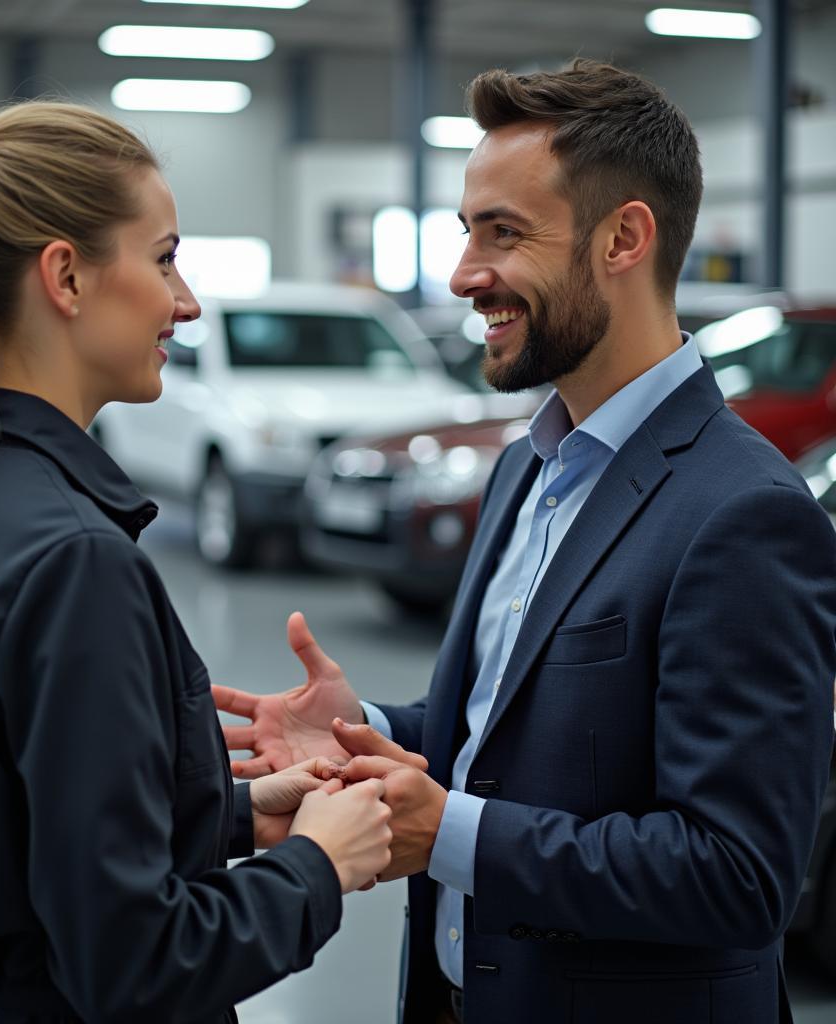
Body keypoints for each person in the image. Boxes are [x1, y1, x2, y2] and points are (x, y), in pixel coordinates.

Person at [213, 60, 836, 1024]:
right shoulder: (527, 468)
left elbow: (737, 876)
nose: (464, 275)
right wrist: (370, 731)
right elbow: (514, 734)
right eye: (467, 232)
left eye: (502, 234)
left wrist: (449, 833)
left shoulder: (745, 513)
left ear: (624, 238)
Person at [0, 92, 395, 1024]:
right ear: (67, 277)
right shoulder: (75, 563)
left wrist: (240, 818)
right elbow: (133, 965)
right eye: (165, 258)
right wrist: (316, 866)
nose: (187, 300)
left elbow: (7, 834)